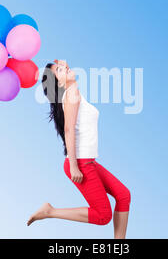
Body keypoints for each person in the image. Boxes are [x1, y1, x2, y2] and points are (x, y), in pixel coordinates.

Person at [27, 59, 131, 239]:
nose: (65, 68)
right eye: (60, 70)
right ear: (58, 82)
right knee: (103, 215)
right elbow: (68, 129)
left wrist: (60, 66)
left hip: (88, 161)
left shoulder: (73, 93)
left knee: (123, 195)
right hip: (80, 163)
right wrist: (74, 165)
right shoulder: (72, 92)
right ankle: (50, 212)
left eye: (64, 67)